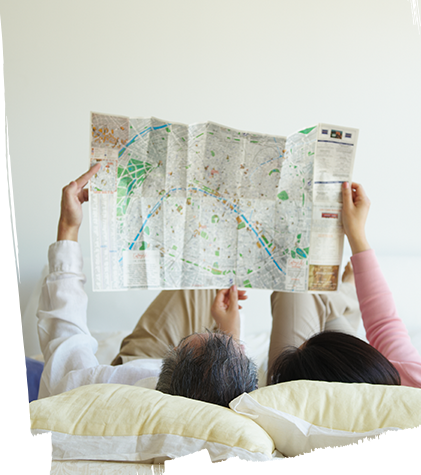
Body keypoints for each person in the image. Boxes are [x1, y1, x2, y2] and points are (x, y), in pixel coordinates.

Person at [36, 164, 258, 406]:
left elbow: (65, 339)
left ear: (164, 368)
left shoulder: (96, 390)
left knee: (201, 277)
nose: (214, 332)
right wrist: (231, 334)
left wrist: (68, 227)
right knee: (206, 276)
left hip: (136, 360)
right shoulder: (234, 412)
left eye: (183, 346)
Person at [266, 181, 421, 389]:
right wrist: (356, 234)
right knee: (310, 294)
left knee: (296, 290)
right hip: (368, 374)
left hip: (314, 391)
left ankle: (344, 296)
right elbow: (385, 326)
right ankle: (344, 297)